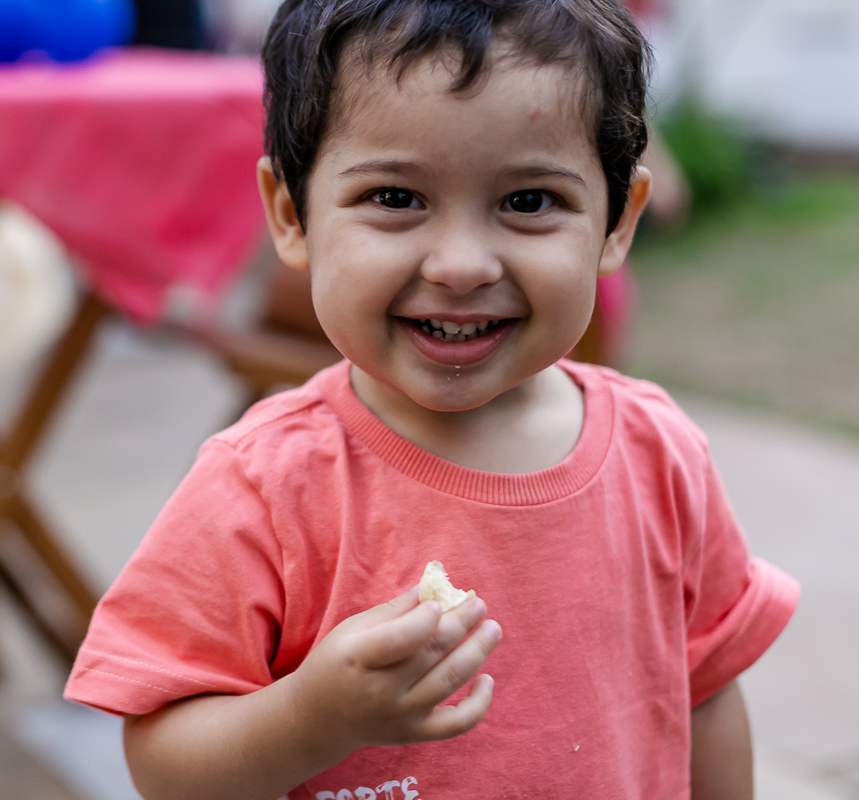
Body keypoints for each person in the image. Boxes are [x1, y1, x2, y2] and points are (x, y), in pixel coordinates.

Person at [64, 1, 798, 798]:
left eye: (527, 202)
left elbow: (709, 692)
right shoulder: (263, 486)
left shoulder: (661, 454)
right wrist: (312, 718)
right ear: (291, 214)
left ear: (617, 222)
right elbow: (164, 762)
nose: (459, 265)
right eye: (396, 198)